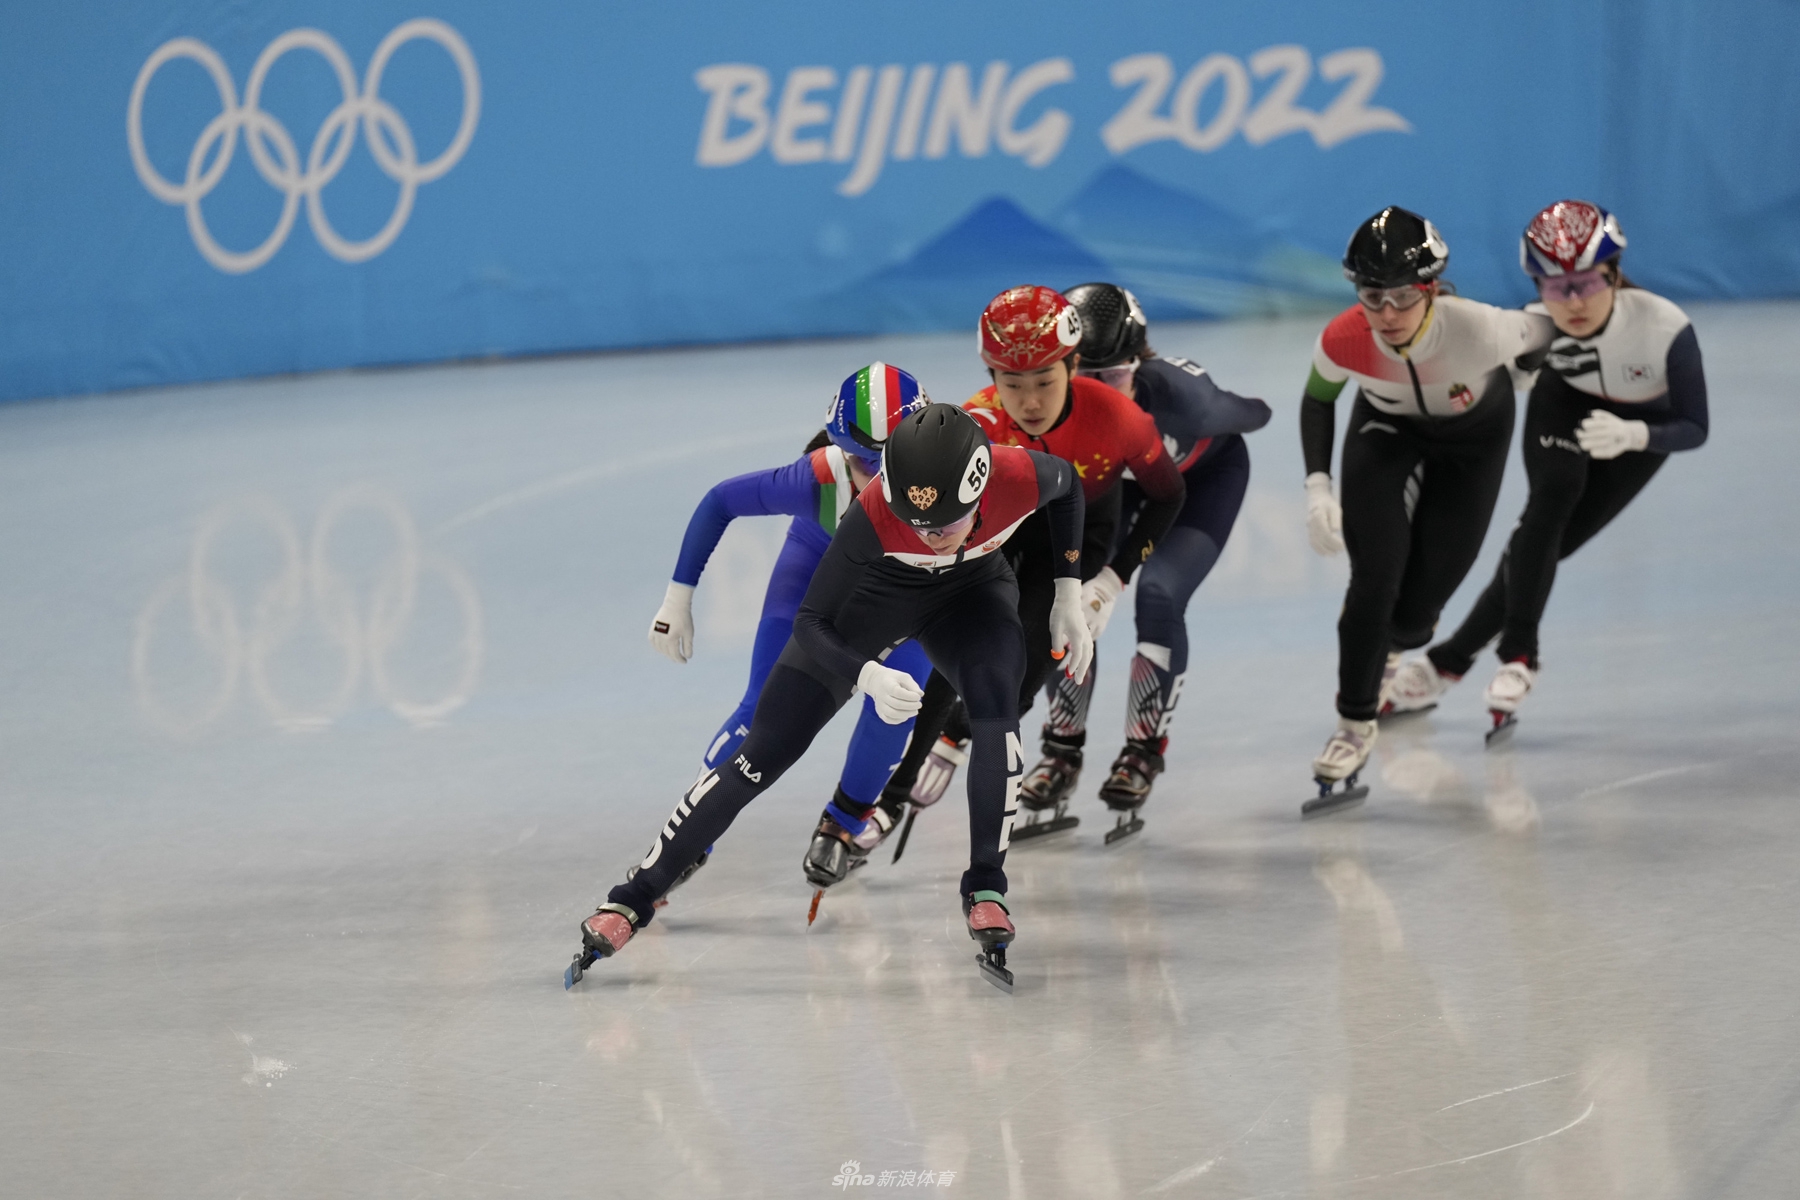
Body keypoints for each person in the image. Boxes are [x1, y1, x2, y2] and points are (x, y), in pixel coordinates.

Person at [570, 403, 1094, 991]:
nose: (927, 536)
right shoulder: (872, 513)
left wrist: (1068, 596)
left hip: (969, 599)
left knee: (996, 717)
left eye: (943, 526)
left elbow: (1070, 487)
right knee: (761, 751)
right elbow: (812, 622)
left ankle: (987, 885)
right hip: (872, 602)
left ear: (980, 493)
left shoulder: (1018, 476)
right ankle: (634, 896)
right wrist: (867, 675)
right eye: (915, 523)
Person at [871, 285, 1187, 842]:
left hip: (1082, 537)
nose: (1031, 402)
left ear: (1073, 365)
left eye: (1045, 382)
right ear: (992, 380)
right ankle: (890, 799)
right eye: (1012, 385)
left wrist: (1112, 580)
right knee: (947, 660)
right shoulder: (973, 423)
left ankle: (964, 735)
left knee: (1027, 665)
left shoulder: (1118, 416)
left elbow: (1169, 495)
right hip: (1006, 531)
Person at [1384, 201, 1708, 731]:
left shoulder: (1665, 327)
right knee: (1547, 506)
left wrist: (1637, 434)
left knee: (1553, 546)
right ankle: (1519, 654)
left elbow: (1696, 426)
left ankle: (1449, 661)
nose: (1573, 302)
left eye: (1586, 284)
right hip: (1567, 402)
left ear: (1615, 274)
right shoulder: (1534, 327)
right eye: (1555, 288)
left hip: (1645, 428)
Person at [642, 364, 933, 897]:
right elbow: (719, 502)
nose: (870, 475)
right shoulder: (820, 478)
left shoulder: (951, 463)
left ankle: (842, 825)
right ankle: (692, 835)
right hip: (815, 570)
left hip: (906, 590)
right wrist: (676, 597)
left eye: (884, 461)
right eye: (858, 460)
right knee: (761, 709)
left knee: (896, 707)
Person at [1300, 207, 1554, 804]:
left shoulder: (1482, 328)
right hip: (1386, 434)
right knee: (1373, 582)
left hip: (1473, 443)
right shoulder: (1344, 336)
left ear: (1431, 290)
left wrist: (1522, 371)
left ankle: (1393, 649)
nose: (1386, 314)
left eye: (1402, 299)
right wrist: (1317, 487)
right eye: (1372, 296)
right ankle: (1354, 721)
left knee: (1414, 615)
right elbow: (1318, 401)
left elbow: (1543, 330)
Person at [1021, 282, 1271, 835]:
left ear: (1142, 363)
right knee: (1067, 599)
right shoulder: (1043, 411)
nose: (1104, 393)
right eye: (1086, 379)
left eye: (1115, 377)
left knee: (1158, 594)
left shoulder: (1188, 403)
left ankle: (1141, 751)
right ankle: (1061, 751)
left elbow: (1257, 412)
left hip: (1197, 484)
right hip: (1116, 489)